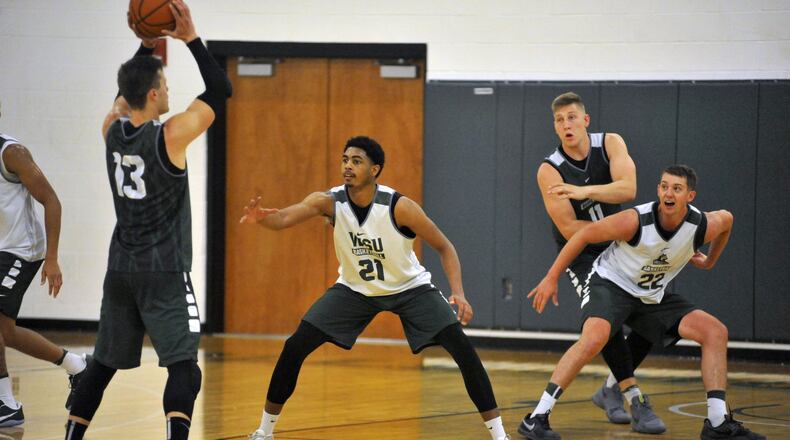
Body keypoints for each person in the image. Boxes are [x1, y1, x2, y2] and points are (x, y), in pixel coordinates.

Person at [241, 136, 511, 440]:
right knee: (294, 346)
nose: (347, 166)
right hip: (355, 290)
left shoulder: (400, 207)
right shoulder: (329, 201)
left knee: (463, 350)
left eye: (356, 161)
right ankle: (264, 431)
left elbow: (445, 247)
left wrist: (458, 292)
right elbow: (285, 217)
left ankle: (500, 435)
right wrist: (263, 219)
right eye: (345, 159)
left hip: (410, 289)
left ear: (375, 169)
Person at [64, 1, 231, 439]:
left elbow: (124, 93)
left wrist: (147, 42)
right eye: (164, 83)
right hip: (164, 271)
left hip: (120, 269)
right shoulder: (171, 136)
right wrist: (190, 37)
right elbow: (220, 90)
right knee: (183, 369)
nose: (169, 89)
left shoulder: (110, 131)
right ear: (155, 94)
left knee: (101, 366)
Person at [521, 165, 765, 440]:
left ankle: (718, 423)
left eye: (676, 188)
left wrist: (709, 261)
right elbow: (583, 235)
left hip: (650, 295)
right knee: (594, 338)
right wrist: (550, 277)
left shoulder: (701, 225)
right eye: (664, 186)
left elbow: (728, 220)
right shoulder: (635, 220)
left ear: (690, 196)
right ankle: (537, 417)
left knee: (715, 331)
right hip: (611, 284)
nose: (668, 193)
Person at [528, 91, 661, 434]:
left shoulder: (611, 143)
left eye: (572, 117)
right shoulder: (549, 169)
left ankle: (610, 389)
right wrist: (618, 231)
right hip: (583, 254)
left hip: (620, 244)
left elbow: (627, 190)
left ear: (585, 120)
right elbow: (571, 228)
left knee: (653, 316)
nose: (566, 124)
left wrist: (584, 192)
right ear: (555, 127)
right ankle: (633, 397)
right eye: (559, 120)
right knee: (606, 322)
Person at [0, 101, 88, 427]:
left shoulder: (12, 153)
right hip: (1, 249)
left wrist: (52, 258)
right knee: (5, 331)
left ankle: (6, 404)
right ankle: (77, 366)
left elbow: (51, 199)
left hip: (22, 250)